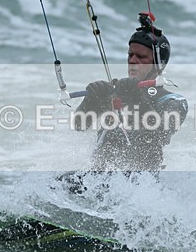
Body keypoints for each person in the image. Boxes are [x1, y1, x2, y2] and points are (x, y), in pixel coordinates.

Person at [72, 13, 188, 172]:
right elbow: (79, 125)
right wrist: (89, 102)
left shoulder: (173, 101)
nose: (133, 60)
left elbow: (159, 134)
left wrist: (138, 99)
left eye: (141, 56)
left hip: (141, 183)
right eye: (130, 55)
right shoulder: (117, 91)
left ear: (158, 63)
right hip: (98, 179)